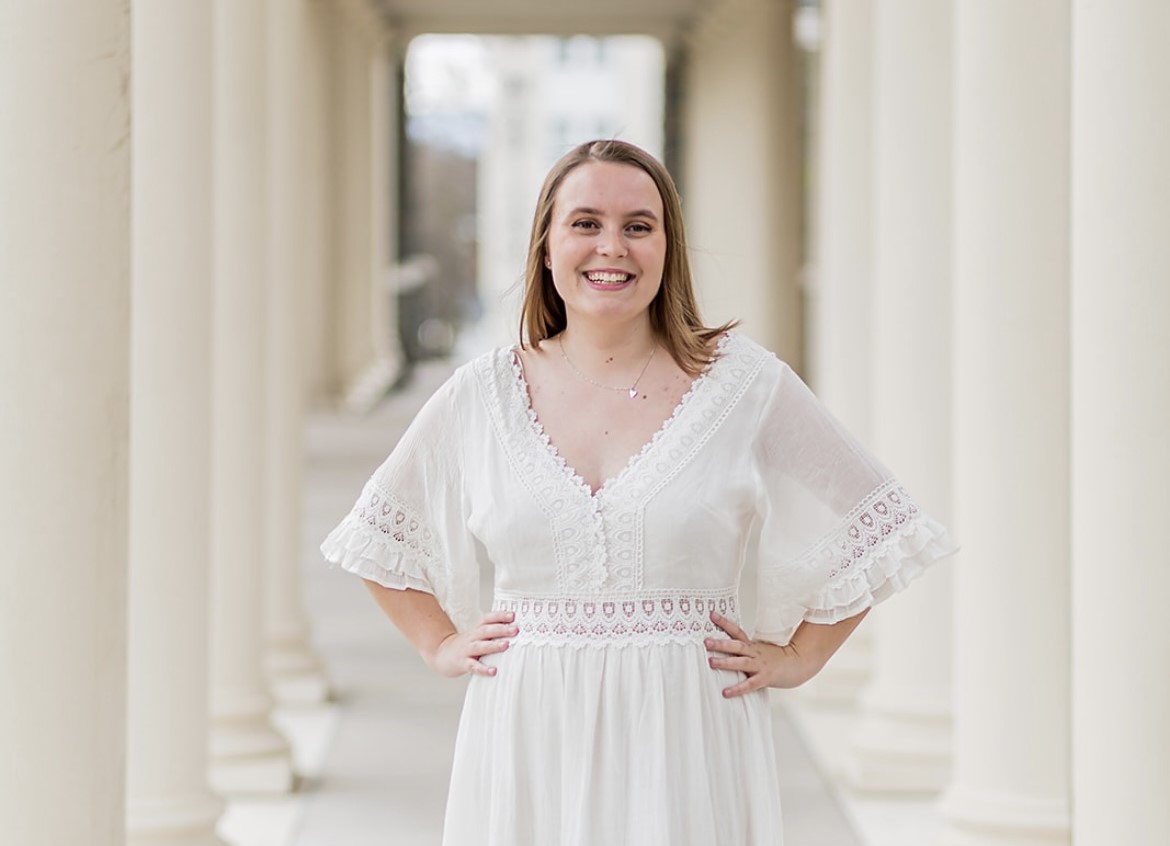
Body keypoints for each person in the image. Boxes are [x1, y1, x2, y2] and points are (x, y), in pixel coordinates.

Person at [321, 138, 957, 845]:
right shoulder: (483, 395)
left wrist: (800, 656)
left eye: (638, 226)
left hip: (689, 730)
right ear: (546, 245)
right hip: (529, 727)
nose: (611, 248)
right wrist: (438, 643)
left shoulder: (746, 385)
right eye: (585, 223)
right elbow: (378, 537)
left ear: (667, 246)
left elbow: (880, 521)